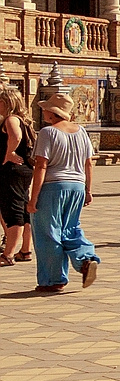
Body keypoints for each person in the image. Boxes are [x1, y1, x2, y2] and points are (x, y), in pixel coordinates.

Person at [28, 94, 98, 293]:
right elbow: (88, 163)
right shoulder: (81, 131)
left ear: (53, 112)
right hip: (76, 186)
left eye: (46, 108)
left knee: (48, 232)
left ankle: (53, 279)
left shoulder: (47, 132)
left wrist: (33, 199)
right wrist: (88, 190)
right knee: (70, 228)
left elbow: (41, 165)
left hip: (53, 187)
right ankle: (85, 260)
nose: (43, 111)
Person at [0, 86, 34, 267]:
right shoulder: (24, 120)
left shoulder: (11, 119)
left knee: (13, 211)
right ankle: (25, 250)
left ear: (6, 103)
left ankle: (8, 254)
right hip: (24, 170)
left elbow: (15, 135)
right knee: (23, 207)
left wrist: (9, 153)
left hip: (12, 171)